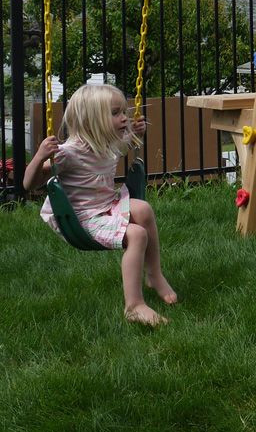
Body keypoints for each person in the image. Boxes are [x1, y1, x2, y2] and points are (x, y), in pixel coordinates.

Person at [24, 84, 178, 326]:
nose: (124, 118)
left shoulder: (108, 143)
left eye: (124, 112)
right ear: (92, 120)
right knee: (136, 234)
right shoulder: (68, 153)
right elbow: (29, 184)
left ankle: (154, 274)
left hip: (106, 205)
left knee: (144, 210)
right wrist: (40, 156)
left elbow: (129, 144)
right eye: (116, 113)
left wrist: (139, 133)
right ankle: (134, 306)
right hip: (82, 218)